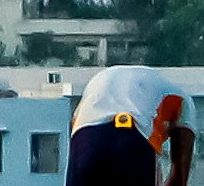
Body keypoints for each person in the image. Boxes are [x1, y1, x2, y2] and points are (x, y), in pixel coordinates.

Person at [68, 63, 196, 186]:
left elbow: (74, 127)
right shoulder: (181, 98)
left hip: (85, 139)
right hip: (132, 140)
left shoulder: (100, 84)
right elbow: (179, 177)